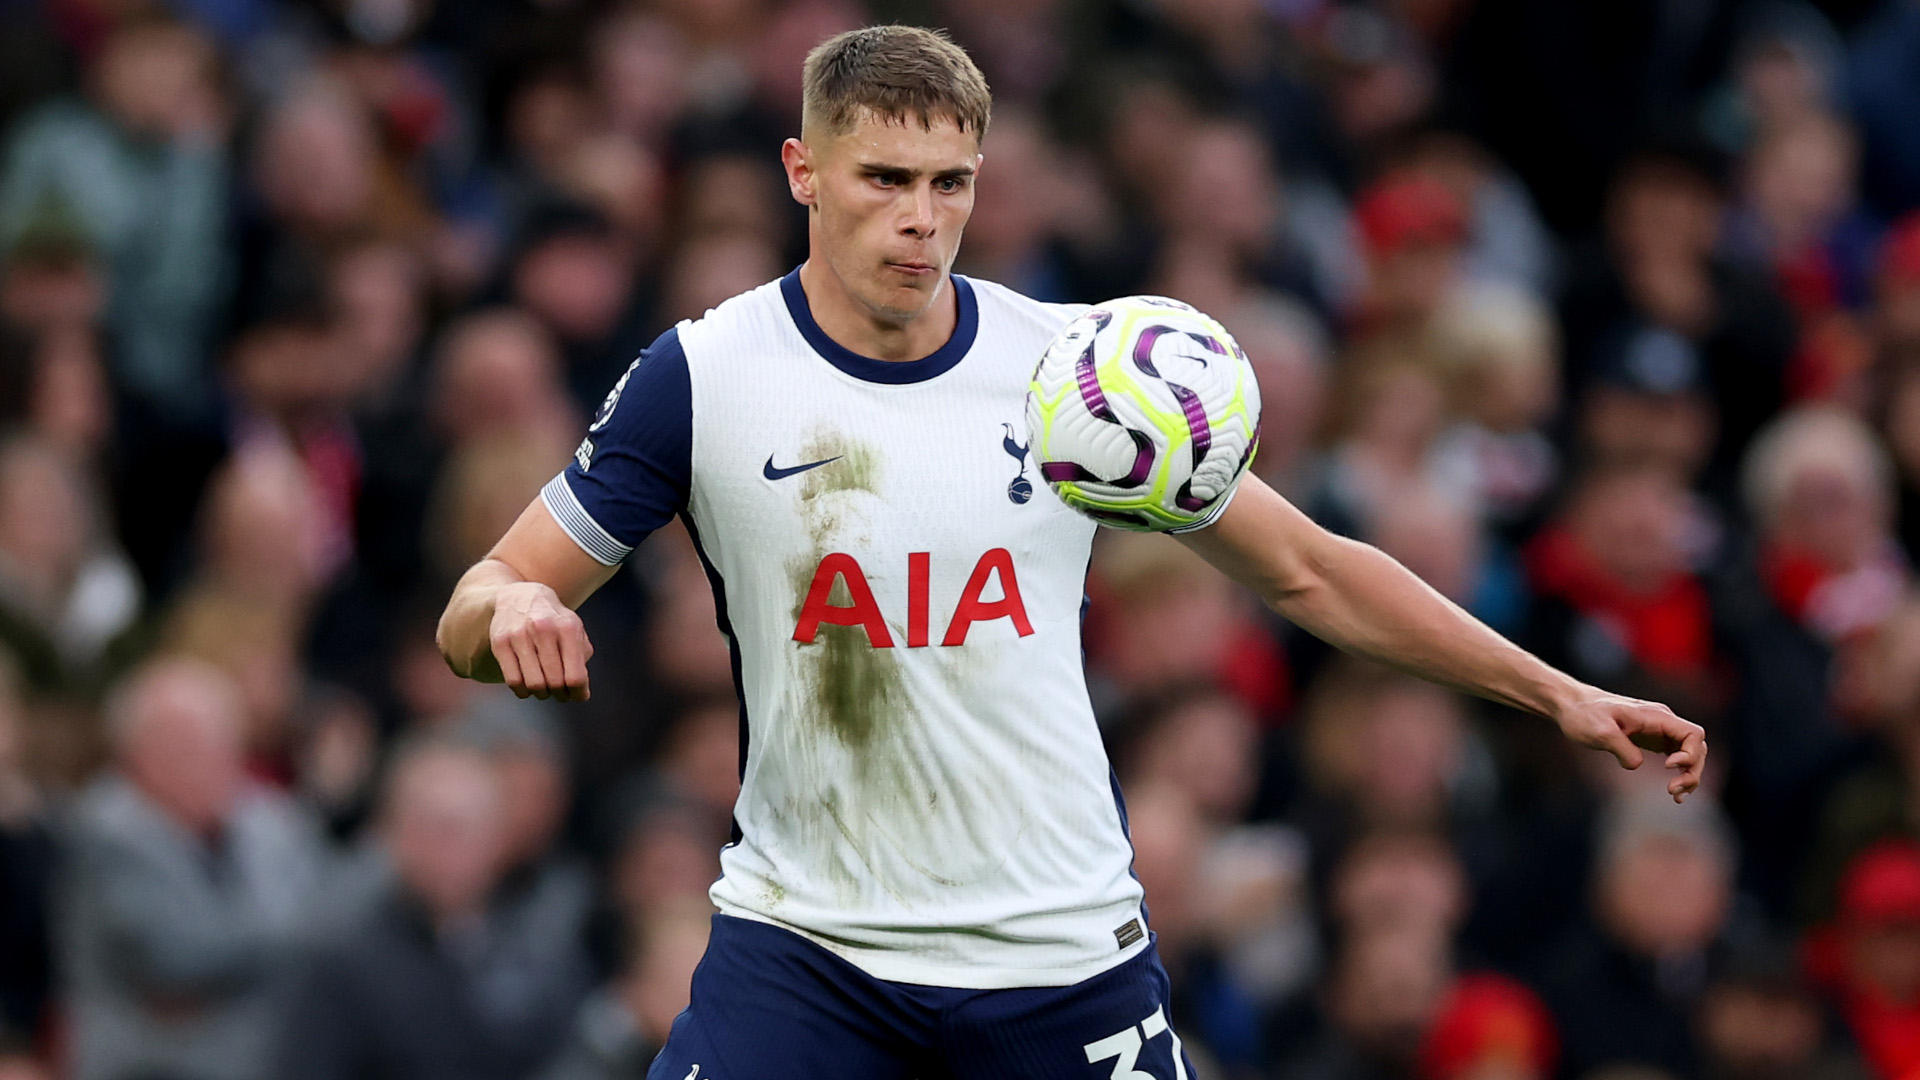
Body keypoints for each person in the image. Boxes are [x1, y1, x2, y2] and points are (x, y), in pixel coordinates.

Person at [436, 26, 1706, 1080]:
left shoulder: (1077, 376)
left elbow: (1310, 567)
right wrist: (507, 617)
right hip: (808, 950)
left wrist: (1559, 691)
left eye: (952, 184)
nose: (922, 221)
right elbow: (481, 597)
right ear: (802, 171)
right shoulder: (705, 377)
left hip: (1057, 954)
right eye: (884, 179)